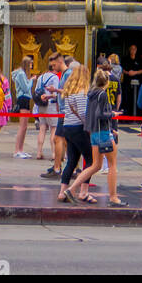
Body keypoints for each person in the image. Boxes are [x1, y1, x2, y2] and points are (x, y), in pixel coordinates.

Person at [69, 68, 127, 206]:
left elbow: (92, 114)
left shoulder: (91, 94)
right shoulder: (102, 94)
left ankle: (71, 189)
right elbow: (100, 114)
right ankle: (113, 197)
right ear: (106, 82)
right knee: (112, 165)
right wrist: (113, 115)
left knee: (96, 165)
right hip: (103, 133)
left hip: (94, 132)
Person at [58, 64, 92, 203]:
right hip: (79, 128)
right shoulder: (82, 92)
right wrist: (89, 127)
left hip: (68, 127)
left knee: (71, 161)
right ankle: (82, 191)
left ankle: (62, 192)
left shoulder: (70, 91)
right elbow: (83, 113)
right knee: (90, 160)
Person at [42, 54, 71, 180]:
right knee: (63, 140)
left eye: (54, 65)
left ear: (60, 62)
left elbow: (70, 91)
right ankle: (63, 166)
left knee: (58, 139)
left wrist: (56, 90)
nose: (53, 68)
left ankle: (57, 168)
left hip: (67, 111)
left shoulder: (68, 74)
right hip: (64, 110)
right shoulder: (64, 74)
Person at [33, 57, 59, 162]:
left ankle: (39, 152)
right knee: (53, 128)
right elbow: (55, 94)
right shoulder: (55, 78)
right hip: (51, 106)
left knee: (42, 128)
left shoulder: (41, 77)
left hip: (41, 105)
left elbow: (36, 91)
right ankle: (53, 153)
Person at [11, 55, 34, 158]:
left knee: (25, 126)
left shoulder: (23, 74)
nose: (32, 65)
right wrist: (32, 80)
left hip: (26, 98)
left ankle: (21, 149)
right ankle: (17, 150)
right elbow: (25, 88)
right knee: (22, 126)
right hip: (23, 98)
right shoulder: (21, 74)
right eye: (31, 63)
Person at [123, 44, 142, 116]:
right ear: (129, 50)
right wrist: (128, 73)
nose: (133, 51)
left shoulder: (140, 59)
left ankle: (138, 114)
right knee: (128, 99)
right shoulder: (125, 59)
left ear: (136, 50)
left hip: (138, 82)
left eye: (134, 49)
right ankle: (128, 114)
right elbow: (121, 69)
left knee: (138, 98)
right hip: (127, 82)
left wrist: (135, 72)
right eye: (131, 49)